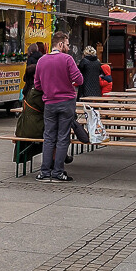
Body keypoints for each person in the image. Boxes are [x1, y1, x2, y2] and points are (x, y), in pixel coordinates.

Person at [33, 31, 83, 182]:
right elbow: (79, 80)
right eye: (67, 44)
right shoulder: (67, 59)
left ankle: (44, 171)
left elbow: (37, 84)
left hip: (49, 103)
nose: (68, 47)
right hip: (66, 102)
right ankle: (58, 172)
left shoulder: (42, 60)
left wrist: (49, 87)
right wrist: (67, 83)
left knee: (48, 137)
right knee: (62, 138)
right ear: (60, 44)